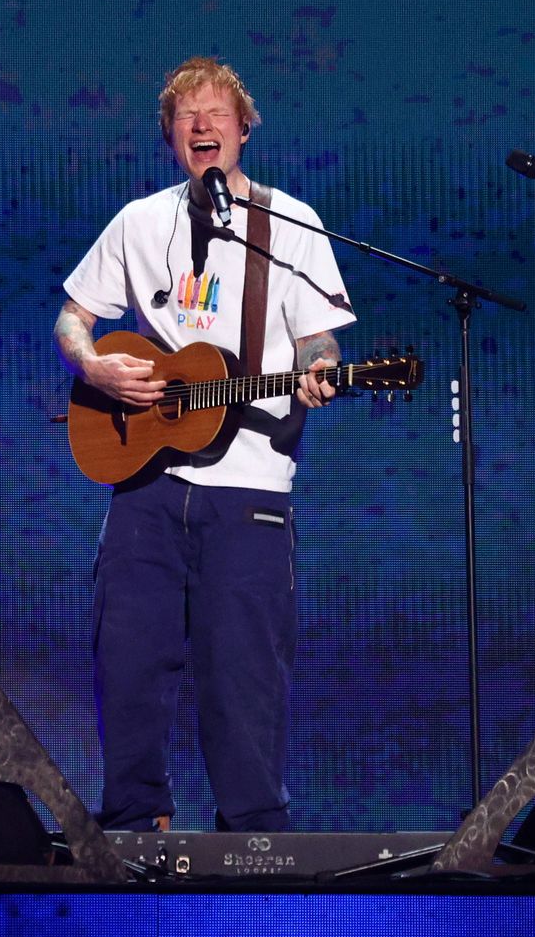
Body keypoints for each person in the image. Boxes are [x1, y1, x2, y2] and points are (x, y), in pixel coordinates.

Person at [54, 56, 356, 833]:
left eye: (217, 113)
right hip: (147, 487)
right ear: (169, 137)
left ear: (243, 130)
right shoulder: (139, 222)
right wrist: (95, 366)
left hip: (249, 491)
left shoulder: (291, 225)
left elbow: (319, 340)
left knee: (242, 678)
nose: (202, 126)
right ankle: (131, 827)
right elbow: (71, 317)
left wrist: (322, 370)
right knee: (127, 665)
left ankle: (255, 846)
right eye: (187, 116)